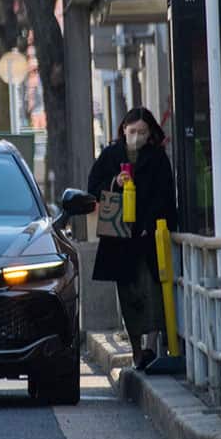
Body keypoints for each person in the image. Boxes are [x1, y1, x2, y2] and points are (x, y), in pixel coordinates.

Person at [87, 107, 178, 370]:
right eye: (132, 131)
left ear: (150, 134)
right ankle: (137, 350)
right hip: (119, 238)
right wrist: (115, 182)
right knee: (129, 295)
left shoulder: (158, 158)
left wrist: (153, 224)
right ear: (123, 130)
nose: (136, 136)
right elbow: (93, 187)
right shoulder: (110, 155)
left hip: (147, 236)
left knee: (151, 289)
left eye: (142, 131)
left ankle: (150, 347)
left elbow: (165, 195)